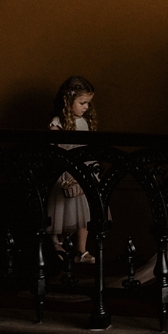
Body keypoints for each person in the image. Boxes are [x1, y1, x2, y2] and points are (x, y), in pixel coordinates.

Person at [47, 76, 97, 264]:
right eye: (82, 102)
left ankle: (81, 250)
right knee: (61, 209)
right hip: (66, 170)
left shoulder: (84, 122)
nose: (86, 107)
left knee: (85, 212)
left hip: (84, 169)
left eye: (88, 103)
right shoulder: (58, 121)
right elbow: (53, 146)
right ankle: (56, 242)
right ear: (68, 100)